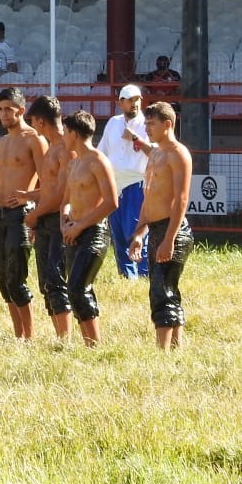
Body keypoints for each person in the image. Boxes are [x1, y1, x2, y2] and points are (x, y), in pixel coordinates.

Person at [0, 88, 47, 340]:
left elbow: (48, 182)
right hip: (0, 214)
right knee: (3, 279)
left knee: (17, 277)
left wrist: (34, 211)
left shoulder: (34, 139)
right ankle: (19, 335)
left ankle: (29, 337)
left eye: (8, 109)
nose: (3, 114)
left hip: (21, 213)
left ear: (21, 110)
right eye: (0, 109)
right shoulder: (3, 142)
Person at [129, 101, 193, 348]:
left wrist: (169, 239)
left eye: (151, 124)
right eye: (146, 123)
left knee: (161, 290)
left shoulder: (178, 154)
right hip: (155, 227)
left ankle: (162, 351)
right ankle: (175, 348)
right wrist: (139, 232)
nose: (147, 128)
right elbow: (150, 194)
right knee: (165, 288)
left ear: (167, 124)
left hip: (172, 229)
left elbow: (181, 199)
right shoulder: (155, 153)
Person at [60, 110, 119, 346]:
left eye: (65, 132)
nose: (63, 137)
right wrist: (65, 223)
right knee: (77, 288)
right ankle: (89, 342)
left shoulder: (98, 161)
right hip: (74, 230)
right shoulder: (74, 163)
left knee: (77, 287)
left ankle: (94, 345)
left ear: (73, 133)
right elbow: (66, 200)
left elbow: (112, 202)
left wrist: (81, 225)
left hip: (93, 232)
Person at [23, 95, 73, 341]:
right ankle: (59, 335)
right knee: (46, 280)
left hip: (59, 219)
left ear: (40, 121)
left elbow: (63, 192)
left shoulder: (65, 147)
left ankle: (65, 337)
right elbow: (50, 187)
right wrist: (30, 196)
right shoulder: (53, 145)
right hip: (46, 218)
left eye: (32, 121)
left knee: (55, 277)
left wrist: (35, 213)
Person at [97, 84, 150, 278]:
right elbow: (102, 151)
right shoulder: (113, 122)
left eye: (137, 99)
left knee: (136, 232)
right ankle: (127, 276)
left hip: (136, 183)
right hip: (114, 185)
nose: (134, 103)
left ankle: (145, 274)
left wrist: (135, 138)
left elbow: (155, 152)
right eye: (130, 100)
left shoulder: (148, 124)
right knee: (118, 234)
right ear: (121, 102)